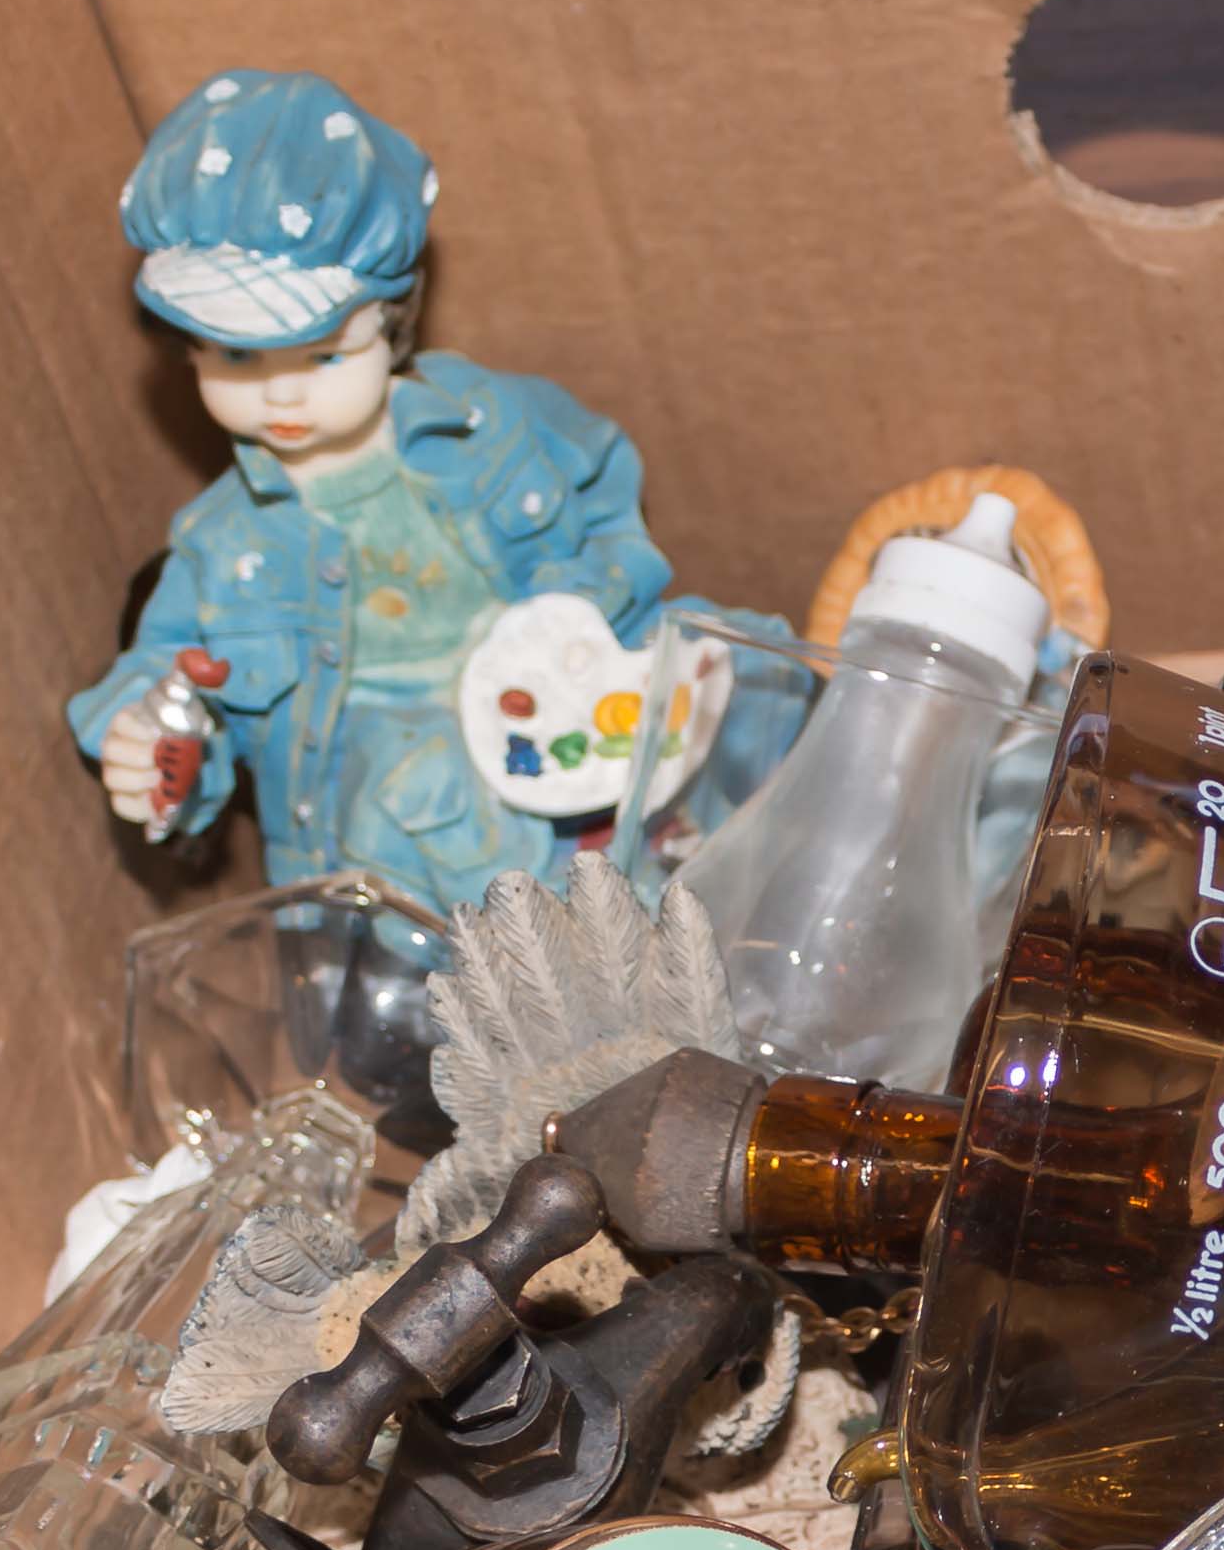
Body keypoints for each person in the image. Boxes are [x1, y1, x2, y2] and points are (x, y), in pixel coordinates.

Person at [65, 70, 775, 919]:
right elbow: (174, 678)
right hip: (392, 845)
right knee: (420, 790)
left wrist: (578, 617)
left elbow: (605, 509)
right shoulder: (222, 549)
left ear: (394, 318)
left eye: (324, 355)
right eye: (237, 359)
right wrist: (150, 742)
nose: (282, 397)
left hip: (560, 724)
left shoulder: (493, 430)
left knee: (756, 677)